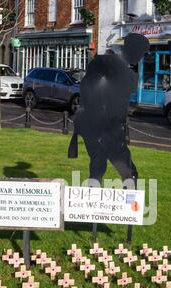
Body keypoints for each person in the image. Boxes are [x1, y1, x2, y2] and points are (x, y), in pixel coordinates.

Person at [68, 33, 149, 186]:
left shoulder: (104, 63)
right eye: (140, 53)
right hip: (106, 127)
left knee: (98, 166)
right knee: (129, 173)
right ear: (133, 50)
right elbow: (126, 88)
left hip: (91, 126)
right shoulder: (119, 69)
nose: (141, 58)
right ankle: (129, 207)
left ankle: (94, 203)